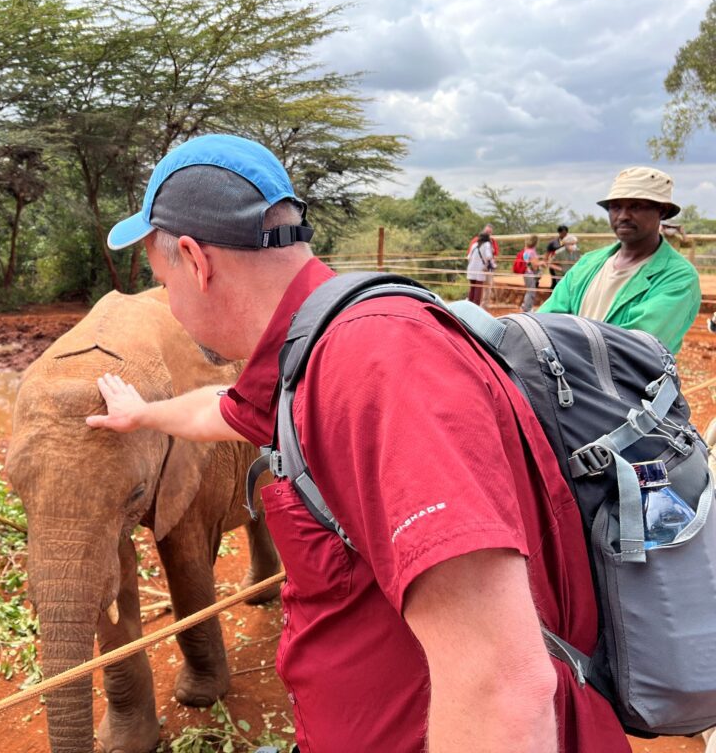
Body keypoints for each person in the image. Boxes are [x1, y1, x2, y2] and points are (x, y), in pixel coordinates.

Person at [87, 133, 629, 752]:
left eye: (163, 281)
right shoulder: (311, 353)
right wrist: (144, 413)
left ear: (197, 260)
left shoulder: (375, 366)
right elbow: (225, 411)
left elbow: (502, 688)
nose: (170, 306)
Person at [539, 167, 700, 353]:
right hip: (567, 380)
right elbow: (546, 322)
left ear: (661, 211)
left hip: (629, 382)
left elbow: (631, 350)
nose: (623, 216)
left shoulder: (678, 277)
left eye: (636, 206)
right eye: (616, 207)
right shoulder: (588, 264)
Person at [466, 231, 495, 306]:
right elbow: (488, 256)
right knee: (478, 289)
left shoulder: (474, 245)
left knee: (472, 288)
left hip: (471, 268)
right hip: (480, 269)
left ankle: (469, 305)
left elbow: (468, 257)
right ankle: (475, 307)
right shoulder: (487, 244)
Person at [519, 236, 543, 312]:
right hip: (530, 273)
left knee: (529, 291)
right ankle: (527, 308)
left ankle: (526, 306)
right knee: (531, 291)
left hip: (527, 272)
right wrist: (541, 263)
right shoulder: (532, 252)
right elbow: (534, 264)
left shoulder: (526, 250)